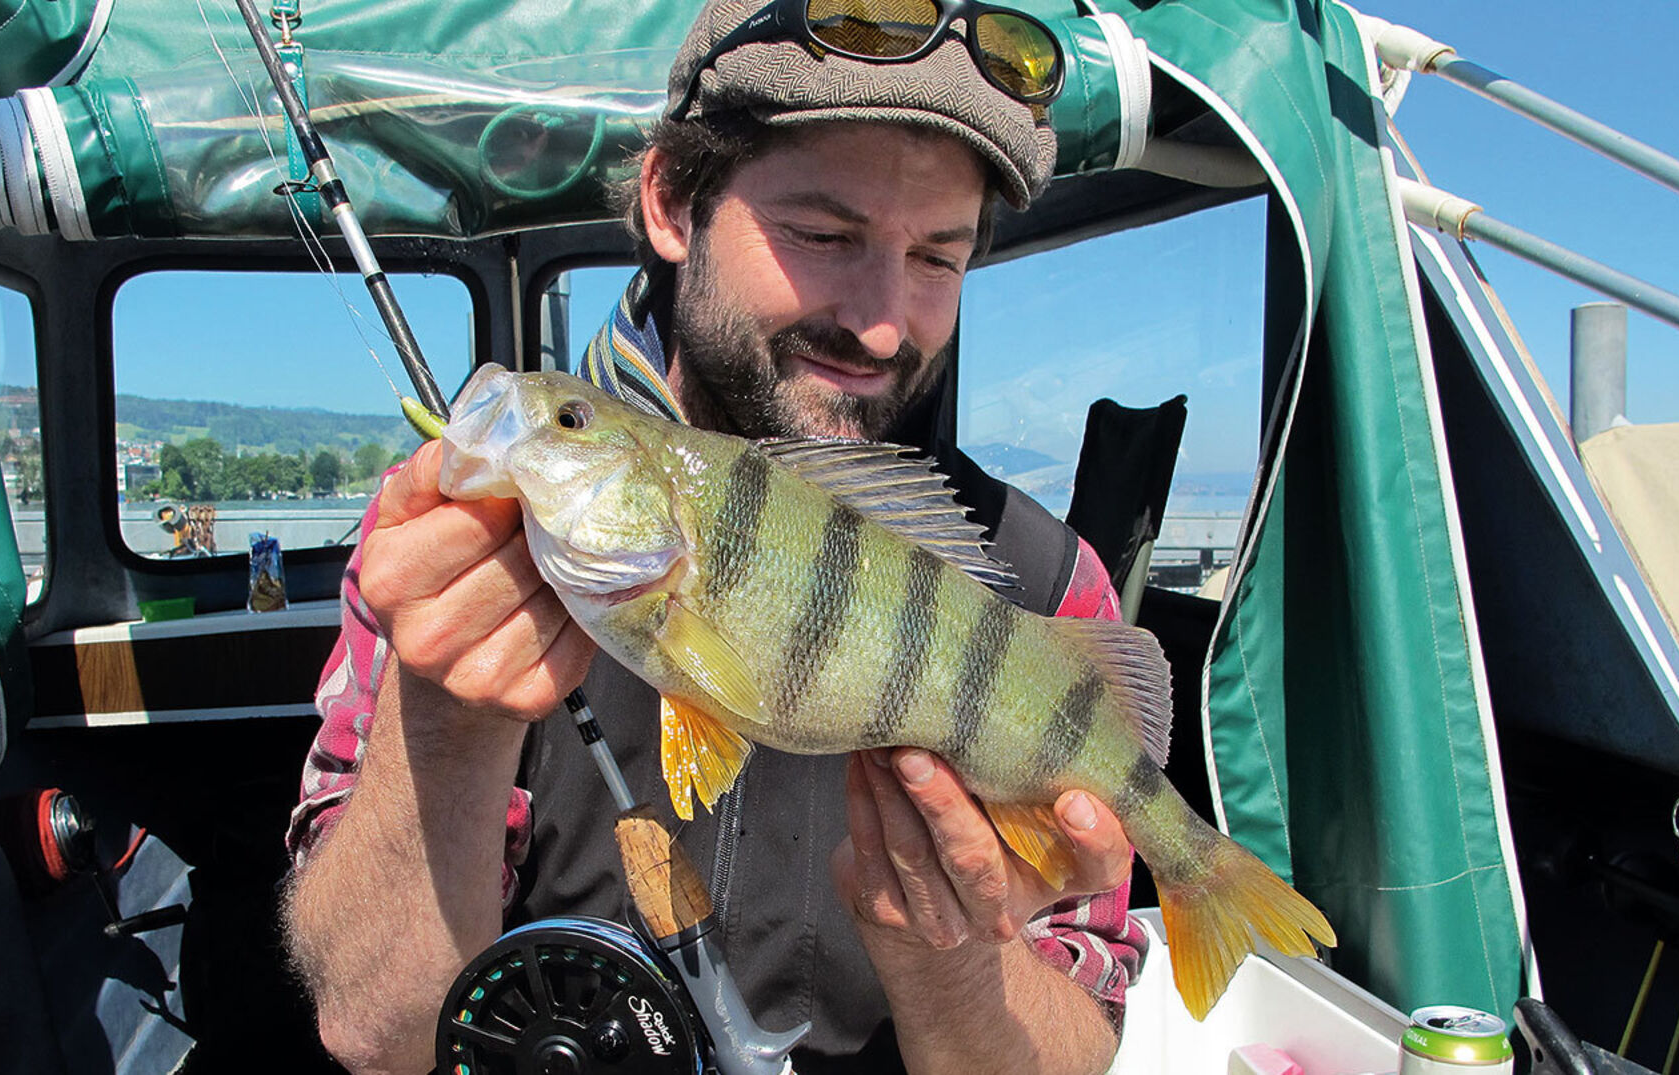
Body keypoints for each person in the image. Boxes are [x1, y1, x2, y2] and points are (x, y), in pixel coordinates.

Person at [282, 2, 1149, 1071]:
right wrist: (449, 728)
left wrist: (946, 951)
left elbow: (1082, 1048)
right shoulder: (458, 542)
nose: (882, 321)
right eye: (825, 235)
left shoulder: (1047, 590)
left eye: (938, 258)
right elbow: (373, 1030)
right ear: (673, 201)